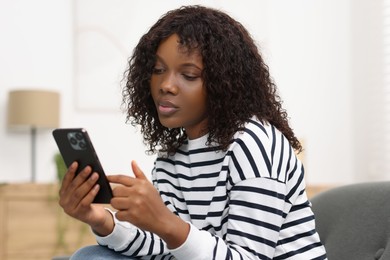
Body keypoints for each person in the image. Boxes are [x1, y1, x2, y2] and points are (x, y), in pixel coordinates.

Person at [60, 5, 327, 260]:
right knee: (91, 256)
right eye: (158, 70)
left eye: (188, 75)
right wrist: (101, 220)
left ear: (224, 83)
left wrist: (165, 221)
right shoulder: (172, 158)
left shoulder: (255, 144)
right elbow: (164, 248)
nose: (166, 85)